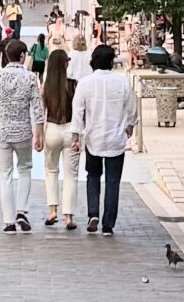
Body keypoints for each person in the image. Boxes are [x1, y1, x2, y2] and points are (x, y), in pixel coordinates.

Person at [70, 44, 138, 235]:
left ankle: (93, 213)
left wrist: (76, 136)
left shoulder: (85, 83)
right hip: (116, 138)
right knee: (113, 181)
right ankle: (108, 224)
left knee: (93, 176)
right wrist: (130, 126)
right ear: (111, 62)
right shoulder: (122, 82)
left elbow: (78, 112)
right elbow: (132, 109)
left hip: (93, 137)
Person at [0, 37, 42, 233]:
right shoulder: (30, 78)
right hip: (23, 131)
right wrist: (39, 133)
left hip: (2, 132)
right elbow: (37, 108)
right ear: (23, 56)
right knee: (25, 169)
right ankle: (21, 211)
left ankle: (9, 220)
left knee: (5, 175)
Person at [39, 48, 80, 230]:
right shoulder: (73, 85)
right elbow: (79, 112)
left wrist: (38, 134)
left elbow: (41, 112)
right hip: (70, 129)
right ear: (65, 64)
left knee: (51, 171)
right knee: (71, 175)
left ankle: (52, 211)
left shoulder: (45, 86)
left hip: (52, 129)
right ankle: (69, 216)